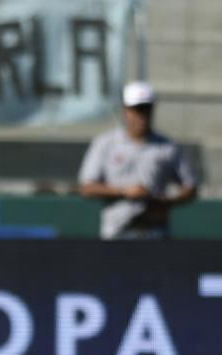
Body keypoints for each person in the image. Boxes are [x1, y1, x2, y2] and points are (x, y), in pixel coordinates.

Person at [78, 80, 198, 239]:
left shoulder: (167, 147)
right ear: (125, 110)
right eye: (137, 109)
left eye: (146, 109)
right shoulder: (105, 144)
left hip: (156, 233)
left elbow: (190, 186)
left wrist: (165, 203)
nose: (142, 115)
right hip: (116, 231)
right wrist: (124, 191)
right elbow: (86, 187)